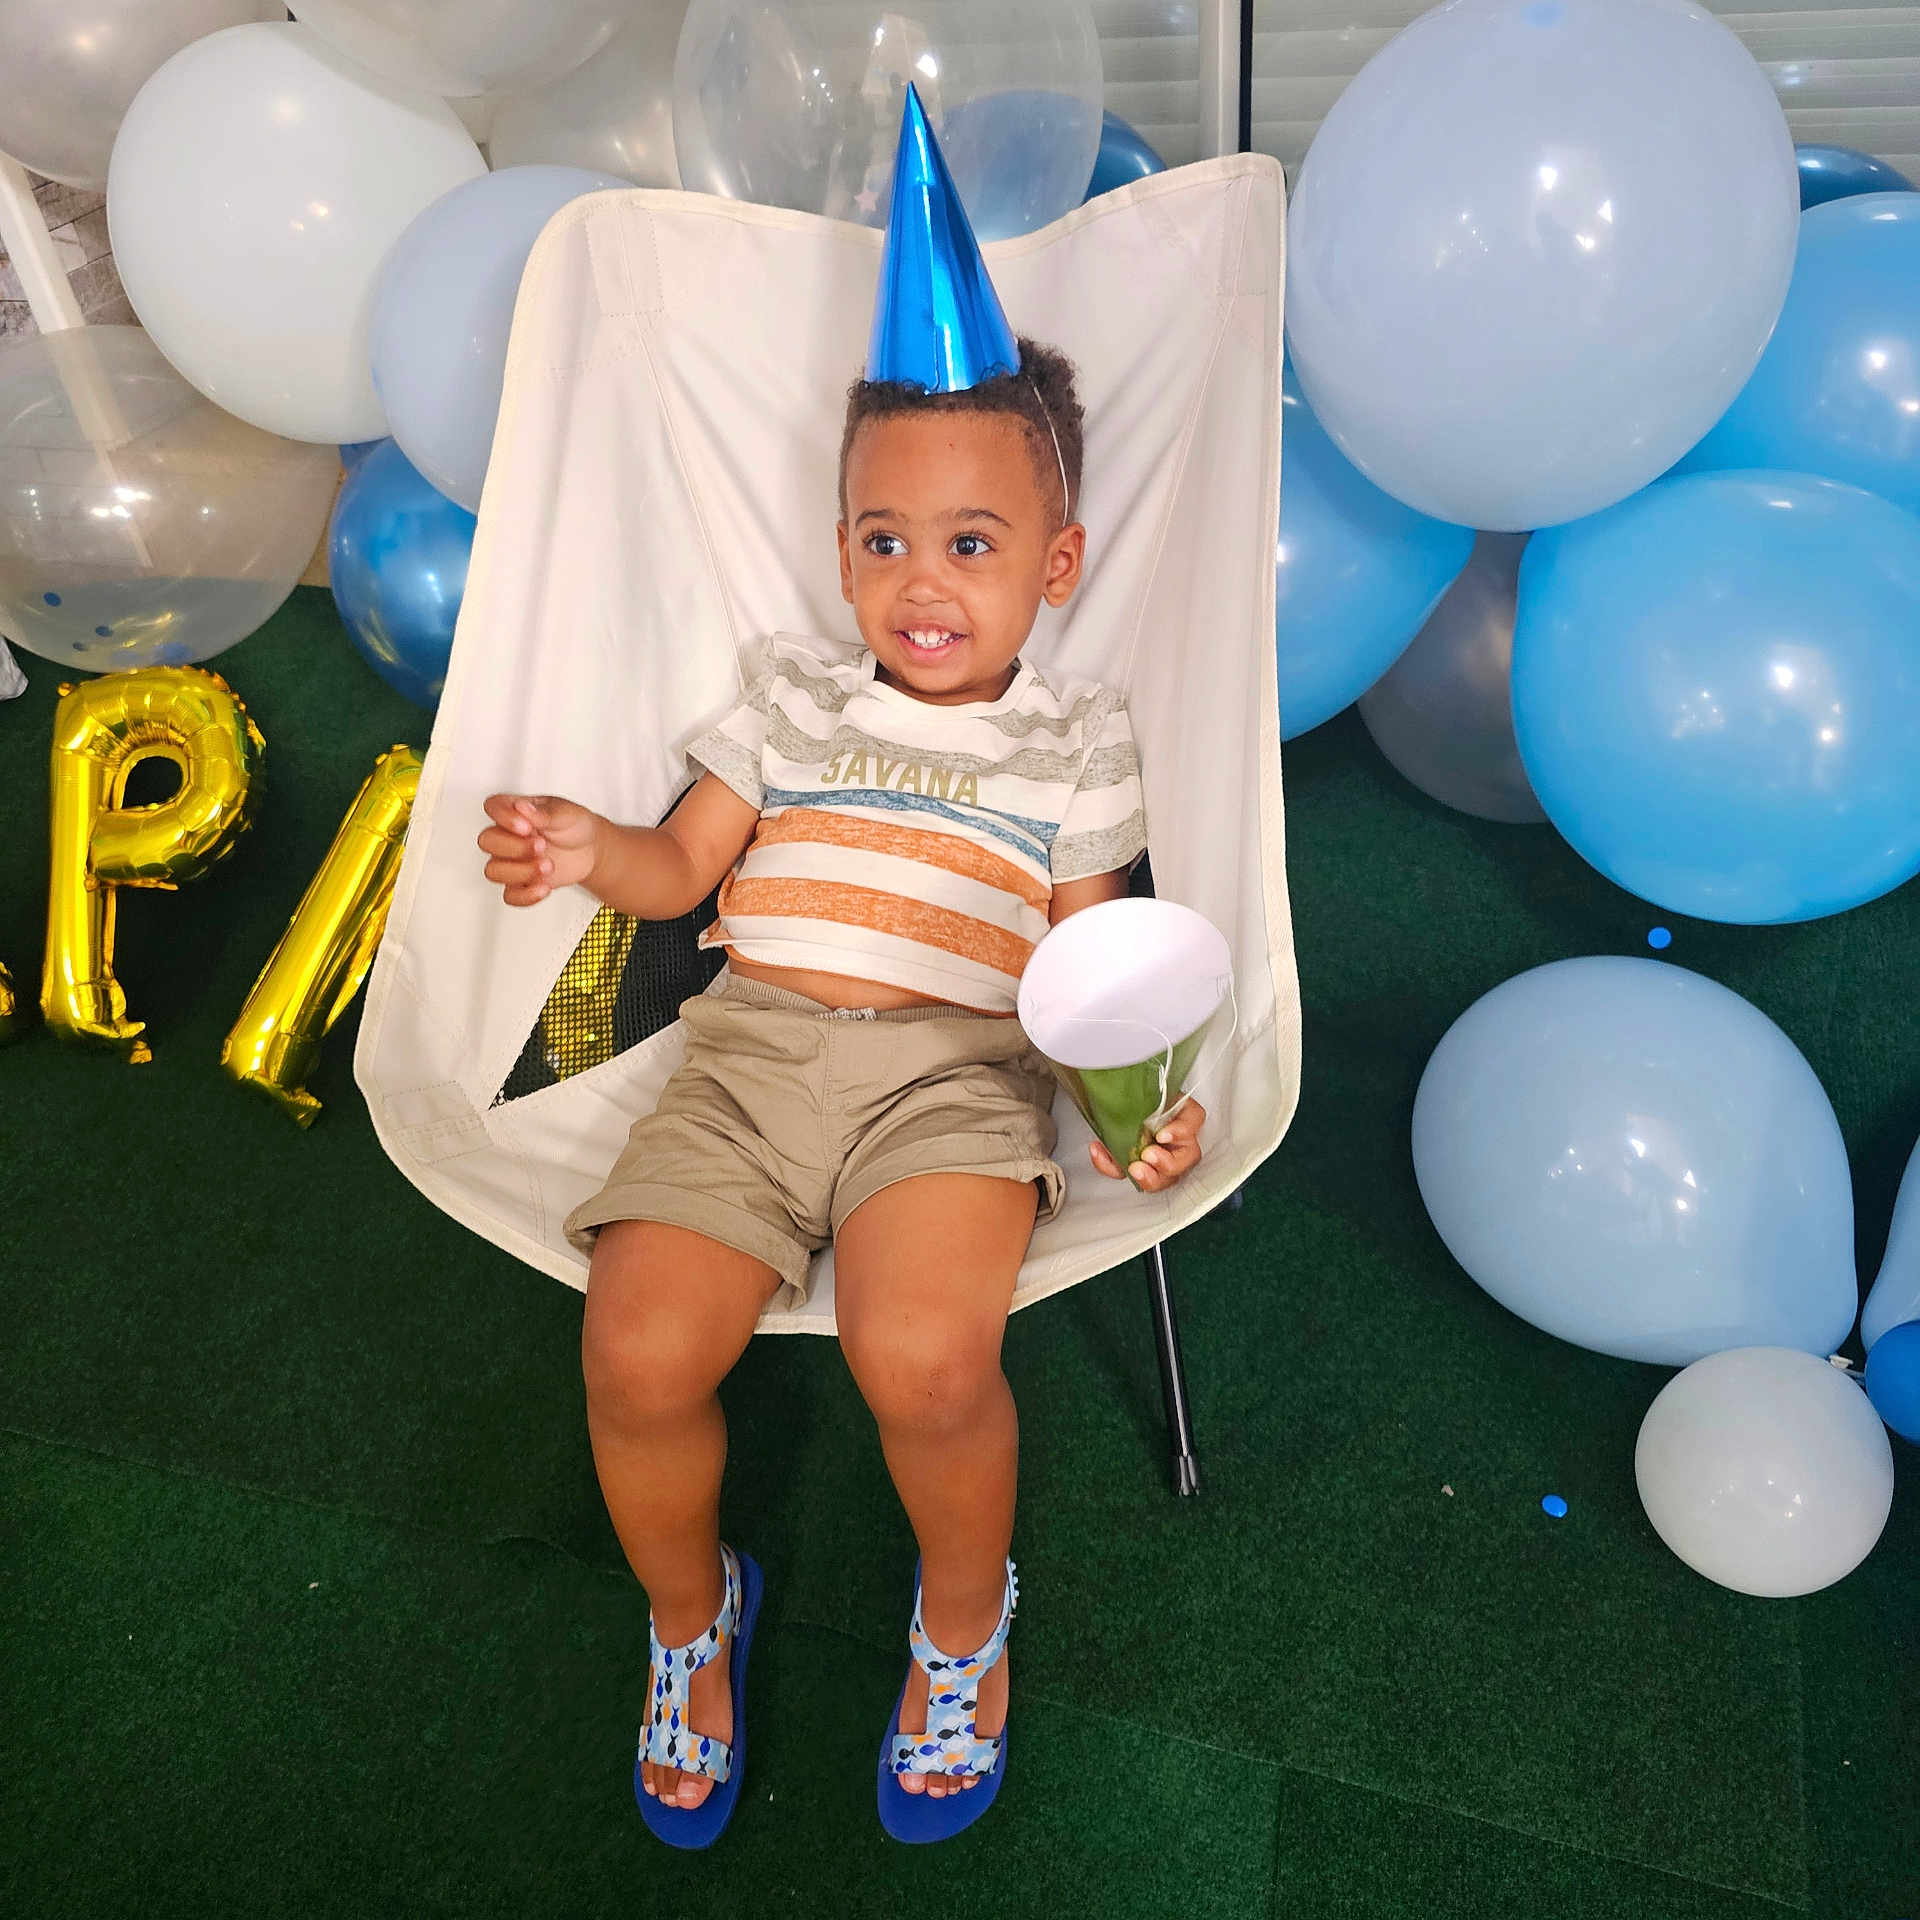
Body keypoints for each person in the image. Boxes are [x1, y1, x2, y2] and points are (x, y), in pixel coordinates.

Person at [474, 90, 1206, 1849]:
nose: (920, 582)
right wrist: (591, 850)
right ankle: (687, 1618)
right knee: (638, 1359)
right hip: (745, 1055)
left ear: (1058, 566)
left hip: (954, 1076)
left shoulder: (1076, 736)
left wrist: (1136, 1116)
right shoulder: (792, 697)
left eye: (970, 544)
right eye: (883, 540)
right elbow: (684, 871)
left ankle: (964, 1627)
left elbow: (1096, 954)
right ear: (839, 556)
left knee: (925, 1358)